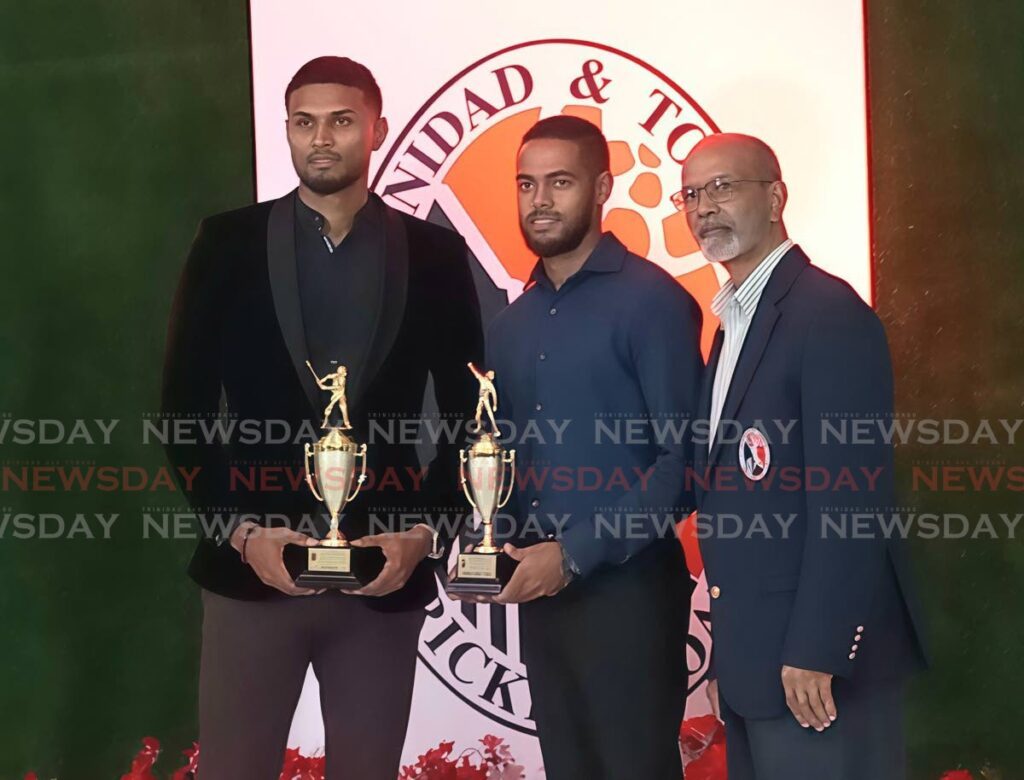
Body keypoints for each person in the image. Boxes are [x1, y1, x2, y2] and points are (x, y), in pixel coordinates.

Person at [161, 56, 482, 779]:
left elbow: (469, 415)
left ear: (377, 129)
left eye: (341, 121)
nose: (322, 139)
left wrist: (424, 534)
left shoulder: (435, 254)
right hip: (254, 575)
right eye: (304, 123)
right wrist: (240, 532)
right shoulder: (227, 244)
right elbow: (181, 407)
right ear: (287, 131)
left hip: (382, 578)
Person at [682, 133, 928, 779]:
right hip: (756, 667)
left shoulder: (827, 313)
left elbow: (853, 495)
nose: (704, 206)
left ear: (776, 196)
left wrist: (818, 648)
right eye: (691, 194)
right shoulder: (733, 323)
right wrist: (732, 662)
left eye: (723, 186)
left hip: (818, 672)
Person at [466, 115, 703, 779]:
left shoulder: (653, 303)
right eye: (526, 184)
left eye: (559, 182)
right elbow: (504, 457)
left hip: (627, 591)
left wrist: (572, 556)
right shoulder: (511, 325)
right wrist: (496, 545)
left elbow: (683, 466)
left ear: (601, 187)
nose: (539, 201)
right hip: (539, 592)